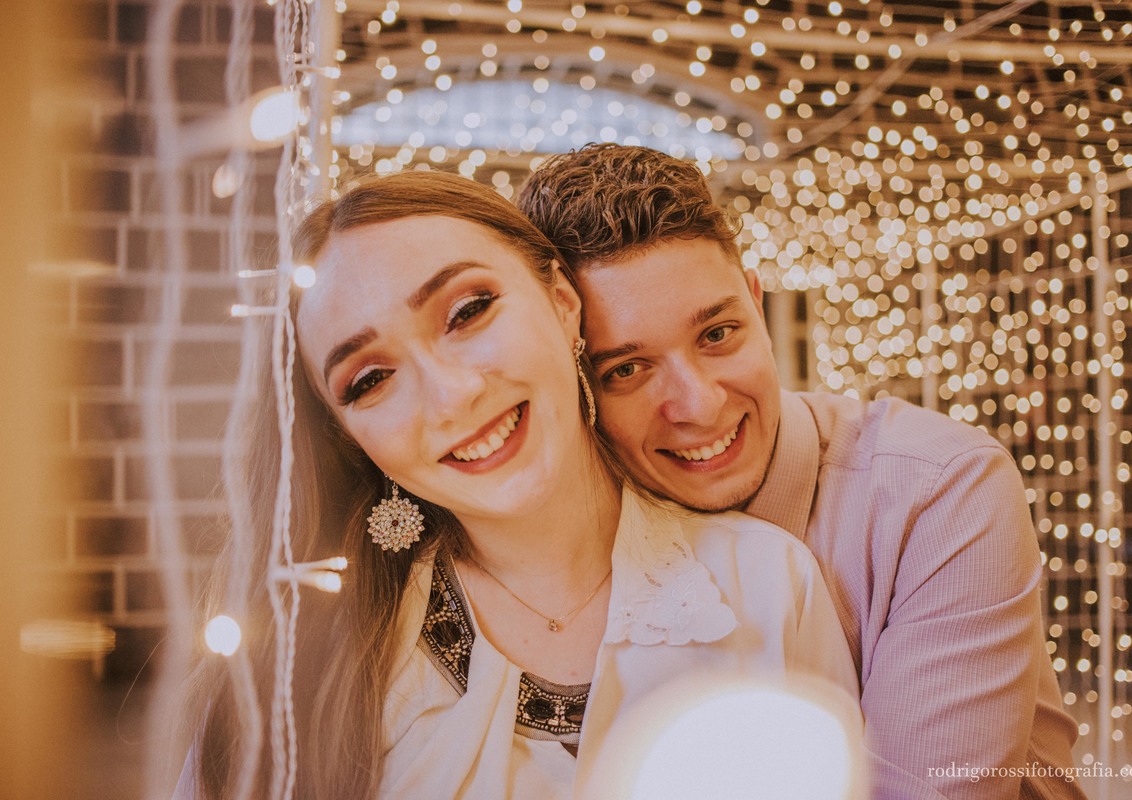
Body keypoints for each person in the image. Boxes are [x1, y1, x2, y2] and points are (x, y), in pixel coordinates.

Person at [179, 171, 860, 799]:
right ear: (352, 438)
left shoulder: (770, 584)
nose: (451, 396)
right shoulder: (304, 653)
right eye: (371, 380)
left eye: (467, 312)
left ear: (562, 302)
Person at [518, 144, 1085, 799]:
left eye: (717, 334)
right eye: (626, 369)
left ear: (756, 304)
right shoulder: (572, 541)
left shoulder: (939, 486)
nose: (699, 405)